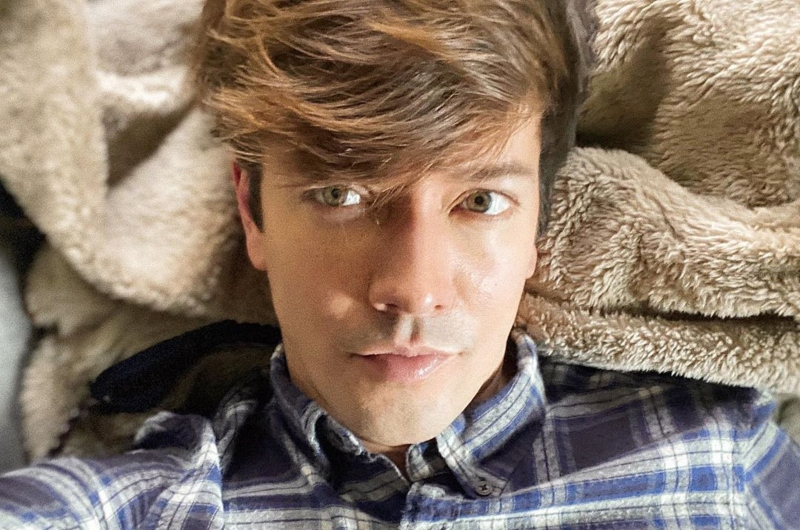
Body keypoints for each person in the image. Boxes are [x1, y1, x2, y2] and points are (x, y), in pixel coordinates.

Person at [1, 0, 799, 528]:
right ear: (252, 212)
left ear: (540, 221)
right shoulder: (141, 507)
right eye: (341, 194)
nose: (413, 291)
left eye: (480, 201)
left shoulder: (718, 455)